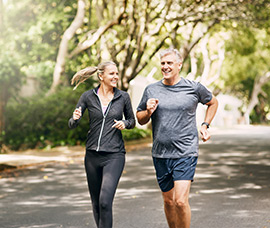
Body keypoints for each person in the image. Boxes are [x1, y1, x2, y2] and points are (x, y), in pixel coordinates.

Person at [136, 48, 218, 228]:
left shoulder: (193, 88)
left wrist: (205, 125)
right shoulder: (151, 89)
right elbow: (140, 119)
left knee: (180, 201)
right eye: (163, 63)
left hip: (185, 152)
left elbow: (213, 102)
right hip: (161, 153)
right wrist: (148, 111)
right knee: (168, 202)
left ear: (179, 65)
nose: (165, 67)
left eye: (169, 63)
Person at [68, 61, 135, 228]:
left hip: (114, 155)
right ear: (101, 76)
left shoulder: (123, 97)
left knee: (105, 202)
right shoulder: (87, 97)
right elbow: (72, 124)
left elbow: (132, 121)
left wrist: (124, 124)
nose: (116, 77)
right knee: (96, 204)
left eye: (117, 73)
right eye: (111, 74)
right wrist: (75, 118)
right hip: (92, 156)